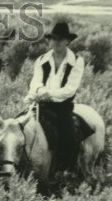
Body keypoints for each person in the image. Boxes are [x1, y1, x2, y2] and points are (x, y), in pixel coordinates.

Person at [24, 21, 85, 173]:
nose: (56, 42)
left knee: (68, 139)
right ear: (49, 40)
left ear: (68, 41)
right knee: (20, 129)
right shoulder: (41, 60)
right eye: (53, 39)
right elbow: (35, 83)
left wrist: (47, 93)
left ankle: (66, 171)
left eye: (60, 39)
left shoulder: (77, 62)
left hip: (63, 107)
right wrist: (37, 92)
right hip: (42, 105)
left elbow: (70, 90)